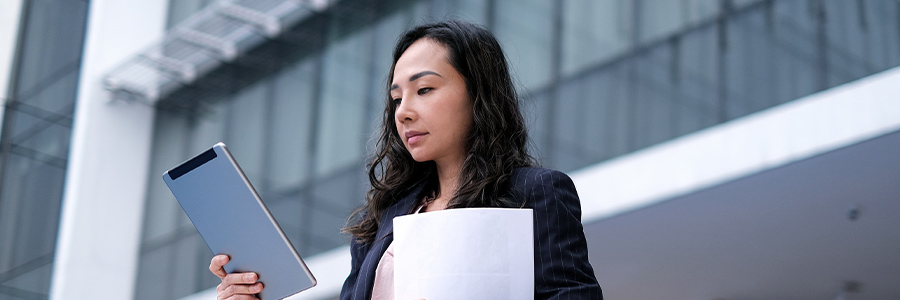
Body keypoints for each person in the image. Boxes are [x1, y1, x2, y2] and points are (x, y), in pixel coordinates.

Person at [209, 20, 602, 300]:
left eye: (424, 89)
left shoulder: (535, 191)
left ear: (479, 93)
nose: (403, 111)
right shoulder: (383, 220)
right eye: (397, 98)